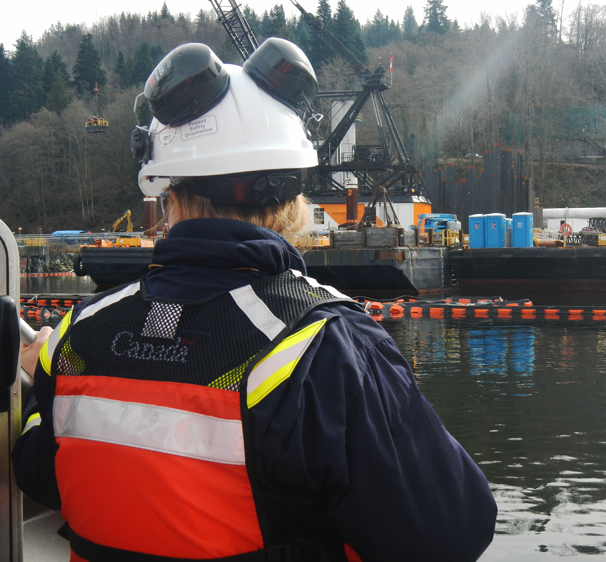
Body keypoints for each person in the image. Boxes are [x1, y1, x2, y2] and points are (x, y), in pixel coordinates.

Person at [13, 39, 497, 562]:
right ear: (294, 198)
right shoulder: (327, 347)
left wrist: (35, 395)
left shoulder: (77, 336)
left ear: (167, 193)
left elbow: (44, 475)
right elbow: (450, 533)